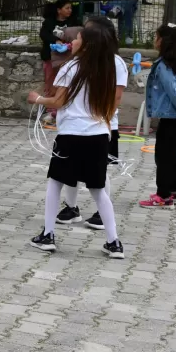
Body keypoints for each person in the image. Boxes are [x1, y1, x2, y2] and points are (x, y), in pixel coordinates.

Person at [26, 25, 125, 258]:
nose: (73, 41)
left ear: (87, 44)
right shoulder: (108, 69)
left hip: (71, 134)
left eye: (78, 38)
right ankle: (114, 242)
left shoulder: (70, 67)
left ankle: (48, 234)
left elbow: (58, 101)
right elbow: (113, 101)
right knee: (98, 190)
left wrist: (37, 99)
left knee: (55, 183)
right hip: (98, 135)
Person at [55, 16, 127, 230]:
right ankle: (71, 208)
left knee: (100, 170)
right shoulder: (80, 62)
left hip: (102, 127)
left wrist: (103, 119)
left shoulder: (115, 62)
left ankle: (102, 213)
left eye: (87, 31)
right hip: (77, 127)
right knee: (70, 168)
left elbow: (116, 96)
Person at [139, 24, 176, 208]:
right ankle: (173, 189)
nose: (154, 40)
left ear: (163, 41)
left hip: (172, 117)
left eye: (156, 37)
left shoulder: (164, 65)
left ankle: (163, 196)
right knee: (171, 155)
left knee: (163, 156)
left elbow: (174, 93)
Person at [39, 0, 78, 119]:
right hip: (51, 57)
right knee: (51, 82)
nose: (70, 10)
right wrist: (55, 40)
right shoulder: (49, 22)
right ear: (59, 10)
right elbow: (44, 35)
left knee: (66, 82)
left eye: (71, 8)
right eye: (67, 8)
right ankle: (51, 109)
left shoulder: (74, 21)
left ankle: (66, 108)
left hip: (68, 57)